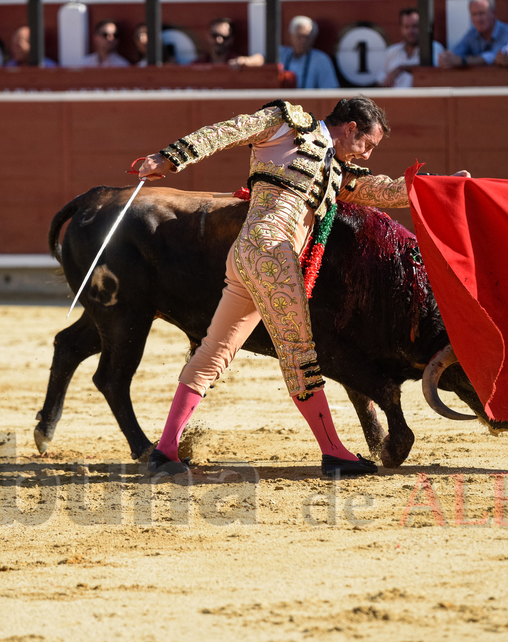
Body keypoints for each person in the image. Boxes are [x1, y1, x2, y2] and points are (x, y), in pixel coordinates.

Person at [138, 96, 445, 478]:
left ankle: (165, 452)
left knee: (214, 351)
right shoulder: (286, 124)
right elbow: (227, 131)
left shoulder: (335, 170)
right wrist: (168, 158)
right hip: (272, 253)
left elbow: (382, 191)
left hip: (248, 254)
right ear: (351, 128)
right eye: (367, 144)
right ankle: (334, 454)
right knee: (300, 356)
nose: (366, 155)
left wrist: (439, 189)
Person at [438, 0, 508, 67]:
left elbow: (495, 56)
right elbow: (456, 53)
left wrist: (463, 61)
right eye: (474, 14)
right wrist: (446, 58)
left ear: (494, 13)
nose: (478, 19)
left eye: (482, 13)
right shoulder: (472, 33)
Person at [377, 6, 445, 87]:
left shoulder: (434, 47)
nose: (411, 31)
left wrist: (402, 68)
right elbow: (379, 80)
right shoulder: (391, 51)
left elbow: (432, 71)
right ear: (401, 28)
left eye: (415, 26)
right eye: (406, 27)